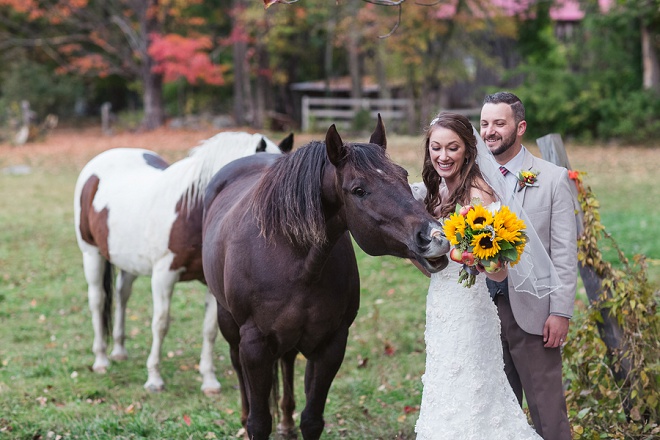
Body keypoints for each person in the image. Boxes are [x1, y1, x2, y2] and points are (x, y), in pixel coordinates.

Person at [412, 112, 542, 440]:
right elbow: (427, 260)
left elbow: (497, 270)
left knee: (473, 386)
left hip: (471, 306)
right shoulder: (432, 190)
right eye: (436, 148)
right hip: (440, 302)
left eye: (452, 148)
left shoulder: (479, 193)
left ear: (468, 150)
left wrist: (475, 256)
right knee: (443, 383)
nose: (443, 156)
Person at [480, 91, 577, 440]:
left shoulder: (553, 179)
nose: (489, 131)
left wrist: (561, 311)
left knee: (547, 411)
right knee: (495, 412)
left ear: (519, 127)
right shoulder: (471, 178)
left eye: (499, 124)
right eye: (484, 124)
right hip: (482, 312)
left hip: (534, 311)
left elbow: (565, 252)